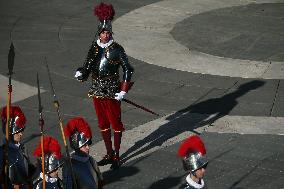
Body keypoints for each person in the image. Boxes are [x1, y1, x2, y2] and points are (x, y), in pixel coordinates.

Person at [74, 2, 134, 169]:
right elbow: (87, 66)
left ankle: (116, 155)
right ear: (99, 33)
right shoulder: (94, 47)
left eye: (108, 32)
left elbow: (128, 70)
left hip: (112, 91)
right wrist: (80, 73)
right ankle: (108, 153)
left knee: (116, 123)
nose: (105, 35)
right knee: (102, 123)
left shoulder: (117, 49)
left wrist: (123, 91)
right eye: (103, 32)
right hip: (96, 91)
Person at [62, 117, 104, 189]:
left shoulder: (91, 160)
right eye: (84, 145)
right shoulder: (70, 166)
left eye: (88, 144)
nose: (88, 147)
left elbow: (100, 180)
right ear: (77, 147)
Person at [0, 106, 35, 189]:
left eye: (21, 131)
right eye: (18, 132)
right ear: (10, 133)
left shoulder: (23, 148)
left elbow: (27, 169)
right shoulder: (2, 151)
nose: (21, 134)